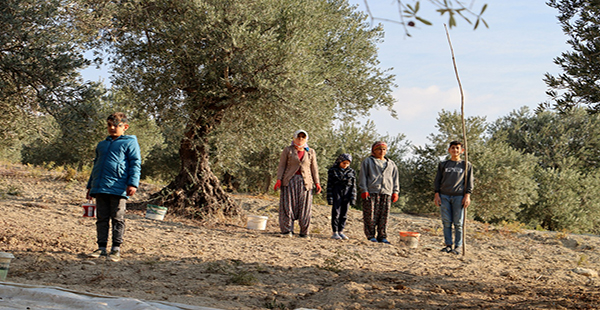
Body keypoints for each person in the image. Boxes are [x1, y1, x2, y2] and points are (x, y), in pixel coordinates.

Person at [86, 112, 142, 262]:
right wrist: (90, 186)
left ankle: (116, 249)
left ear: (125, 127)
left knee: (117, 218)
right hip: (100, 186)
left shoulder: (130, 142)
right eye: (109, 125)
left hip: (119, 187)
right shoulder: (102, 144)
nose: (112, 128)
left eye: (116, 125)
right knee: (101, 218)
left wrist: (133, 184)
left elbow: (135, 164)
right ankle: (101, 248)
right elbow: (96, 166)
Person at [274, 130, 321, 239]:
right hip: (289, 182)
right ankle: (287, 231)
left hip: (305, 183)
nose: (300, 139)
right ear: (294, 138)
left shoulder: (311, 152)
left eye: (303, 137)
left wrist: (317, 182)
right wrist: (279, 179)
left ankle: (304, 232)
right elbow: (282, 166)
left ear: (306, 139)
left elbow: (314, 169)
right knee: (287, 206)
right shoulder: (288, 150)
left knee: (305, 208)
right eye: (298, 137)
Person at [433, 140, 474, 255]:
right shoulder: (443, 164)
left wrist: (467, 196)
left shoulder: (466, 165)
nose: (455, 150)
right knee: (446, 222)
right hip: (444, 195)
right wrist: (437, 194)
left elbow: (469, 181)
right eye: (453, 148)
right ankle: (448, 245)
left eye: (457, 148)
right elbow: (438, 180)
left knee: (458, 223)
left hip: (459, 196)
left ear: (462, 150)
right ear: (449, 150)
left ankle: (458, 246)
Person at [358, 141, 399, 244]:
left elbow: (395, 179)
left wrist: (395, 191)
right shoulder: (368, 162)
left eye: (384, 149)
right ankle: (371, 235)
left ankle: (382, 236)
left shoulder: (391, 164)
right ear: (374, 151)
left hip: (386, 192)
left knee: (384, 216)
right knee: (370, 215)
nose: (382, 151)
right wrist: (364, 189)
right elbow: (363, 177)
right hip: (371, 191)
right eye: (379, 149)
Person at [326, 153, 357, 240]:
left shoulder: (352, 172)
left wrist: (353, 198)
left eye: (347, 163)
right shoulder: (333, 171)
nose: (345, 165)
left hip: (347, 193)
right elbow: (329, 185)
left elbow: (353, 186)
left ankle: (341, 231)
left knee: (344, 213)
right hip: (336, 192)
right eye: (344, 163)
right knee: (336, 212)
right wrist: (330, 198)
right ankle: (335, 231)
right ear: (339, 162)